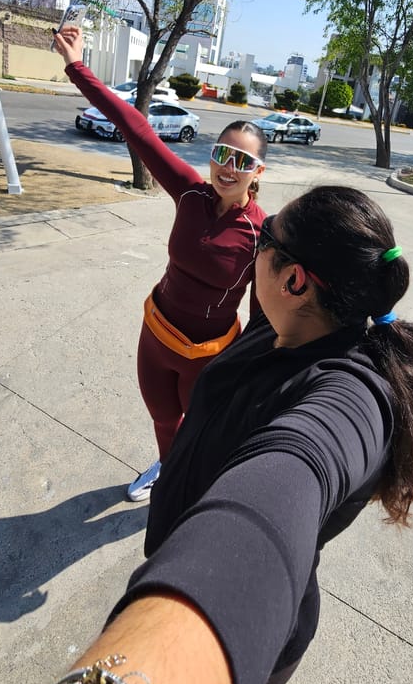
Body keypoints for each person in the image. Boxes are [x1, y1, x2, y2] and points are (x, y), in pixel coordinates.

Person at [6, 185, 413, 684]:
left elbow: (282, 488)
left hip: (254, 628)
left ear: (295, 279)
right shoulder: (284, 325)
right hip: (181, 550)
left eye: (263, 240)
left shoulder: (352, 396)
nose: (251, 248)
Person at [53, 24, 267, 501]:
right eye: (222, 154)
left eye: (242, 161)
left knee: (202, 433)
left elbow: (262, 313)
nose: (228, 168)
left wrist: (252, 371)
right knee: (164, 421)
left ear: (258, 172)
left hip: (208, 356)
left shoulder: (262, 232)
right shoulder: (190, 190)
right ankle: (169, 473)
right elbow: (137, 127)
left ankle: (195, 487)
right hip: (155, 335)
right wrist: (76, 66)